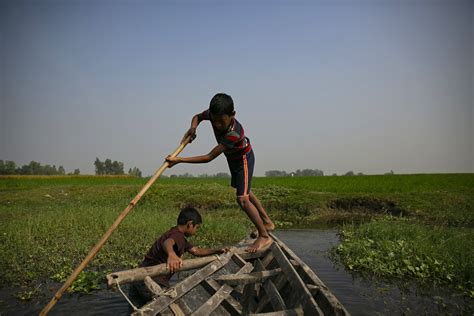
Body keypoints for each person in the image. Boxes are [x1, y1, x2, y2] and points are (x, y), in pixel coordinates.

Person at [166, 93, 275, 253]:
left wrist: (179, 160)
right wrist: (193, 128)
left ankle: (264, 235)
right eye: (215, 120)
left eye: (221, 121)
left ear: (233, 115)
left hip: (243, 158)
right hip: (232, 158)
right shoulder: (212, 114)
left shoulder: (233, 134)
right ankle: (267, 222)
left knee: (242, 199)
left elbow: (209, 157)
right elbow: (197, 116)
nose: (217, 125)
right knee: (245, 191)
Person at [128, 206, 228, 308]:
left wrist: (217, 250)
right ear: (190, 224)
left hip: (138, 278)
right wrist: (171, 254)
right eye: (196, 227)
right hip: (152, 283)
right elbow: (168, 243)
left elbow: (196, 251)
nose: (196, 231)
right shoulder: (177, 236)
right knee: (172, 307)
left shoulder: (176, 234)